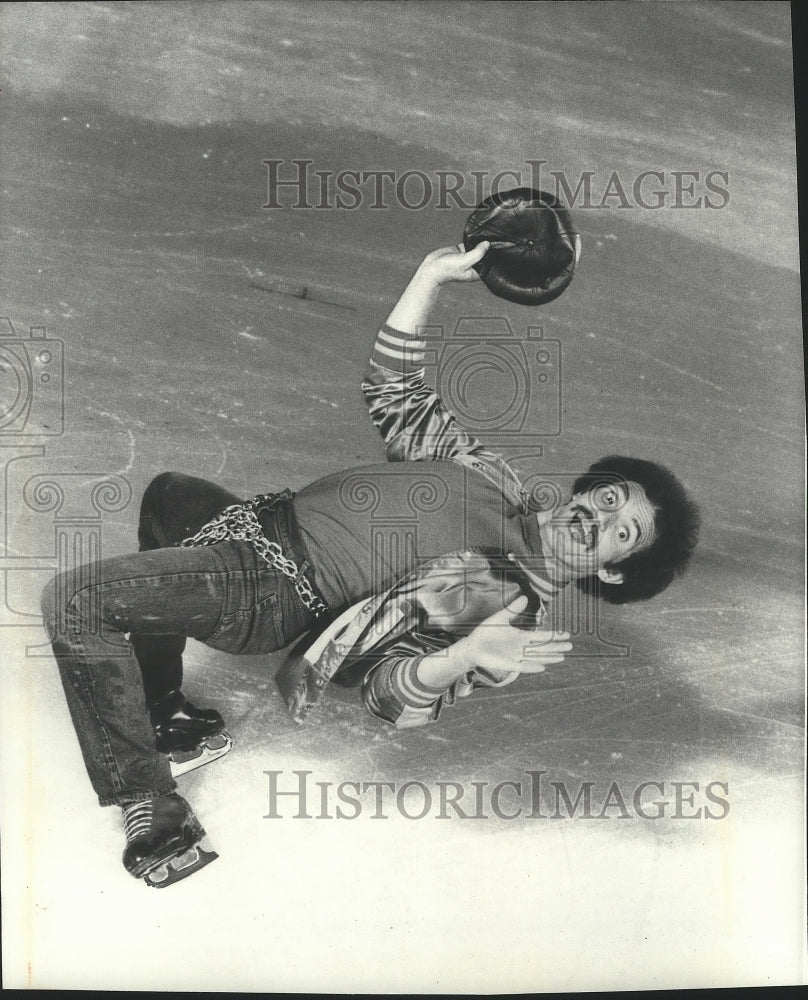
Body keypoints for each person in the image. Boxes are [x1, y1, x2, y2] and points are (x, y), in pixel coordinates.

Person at [41, 241, 700, 887]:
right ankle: (161, 715)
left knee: (75, 604)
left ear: (614, 569)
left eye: (624, 533)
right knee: (168, 495)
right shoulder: (494, 478)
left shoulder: (508, 600)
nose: (604, 517)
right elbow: (397, 391)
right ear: (588, 487)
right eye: (611, 498)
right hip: (250, 526)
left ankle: (153, 808)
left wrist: (464, 657)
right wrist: (430, 278)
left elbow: (391, 691)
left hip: (265, 589)